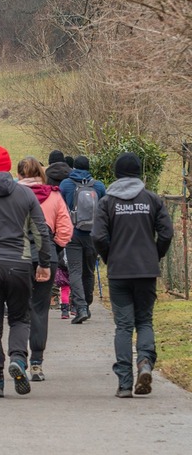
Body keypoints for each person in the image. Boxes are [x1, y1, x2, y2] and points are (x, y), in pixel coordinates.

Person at [0, 147, 54, 398]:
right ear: (8, 166)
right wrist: (44, 263)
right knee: (19, 319)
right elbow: (40, 231)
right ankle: (18, 358)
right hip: (20, 264)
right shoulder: (25, 195)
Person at [93, 152, 175, 398]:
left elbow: (98, 236)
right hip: (146, 270)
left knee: (124, 326)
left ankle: (125, 384)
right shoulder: (152, 199)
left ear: (116, 173)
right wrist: (155, 254)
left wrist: (109, 256)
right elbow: (167, 233)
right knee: (145, 321)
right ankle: (145, 362)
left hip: (119, 271)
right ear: (139, 173)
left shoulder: (107, 202)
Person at [16, 156, 73, 381]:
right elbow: (66, 229)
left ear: (19, 174)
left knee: (19, 308)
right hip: (45, 255)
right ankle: (37, 362)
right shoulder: (54, 196)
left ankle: (18, 356)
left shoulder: (12, 195)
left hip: (18, 255)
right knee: (40, 309)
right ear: (41, 173)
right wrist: (54, 250)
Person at [59, 155, 107, 325]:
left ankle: (80, 307)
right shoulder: (99, 186)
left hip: (73, 234)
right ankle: (87, 303)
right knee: (89, 271)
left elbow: (61, 207)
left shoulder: (65, 184)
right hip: (93, 235)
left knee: (75, 271)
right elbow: (104, 210)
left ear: (74, 168)